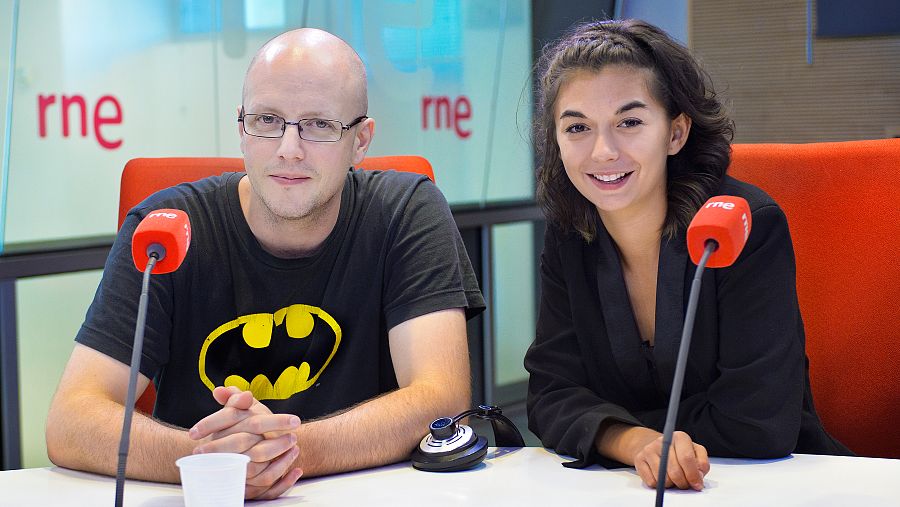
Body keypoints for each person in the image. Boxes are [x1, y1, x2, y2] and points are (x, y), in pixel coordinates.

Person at [46, 28, 484, 500]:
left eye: (318, 125)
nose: (288, 149)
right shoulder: (166, 226)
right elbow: (72, 418)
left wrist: (281, 454)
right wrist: (207, 464)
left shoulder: (406, 211)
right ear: (240, 128)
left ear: (361, 140)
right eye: (267, 120)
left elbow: (441, 398)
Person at [524, 19, 850, 491]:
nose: (602, 151)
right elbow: (550, 395)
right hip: (630, 488)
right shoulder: (572, 232)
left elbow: (756, 421)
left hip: (774, 486)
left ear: (675, 133)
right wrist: (634, 442)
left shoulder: (743, 224)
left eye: (630, 122)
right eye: (577, 127)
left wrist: (608, 425)